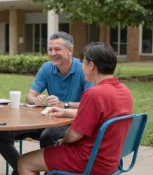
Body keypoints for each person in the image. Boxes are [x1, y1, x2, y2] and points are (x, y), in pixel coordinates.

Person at [18, 42, 133, 174]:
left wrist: (63, 141)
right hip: (112, 159)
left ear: (91, 65)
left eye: (83, 63)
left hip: (88, 159)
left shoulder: (94, 94)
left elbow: (73, 135)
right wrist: (64, 111)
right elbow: (98, 116)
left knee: (24, 162)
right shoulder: (124, 91)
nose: (82, 67)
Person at [0, 31, 93, 175]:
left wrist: (64, 104)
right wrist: (36, 100)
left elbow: (89, 105)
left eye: (57, 49)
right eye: (50, 49)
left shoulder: (84, 70)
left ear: (70, 50)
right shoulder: (47, 68)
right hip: (45, 118)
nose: (52, 53)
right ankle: (25, 168)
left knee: (48, 135)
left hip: (70, 122)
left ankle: (33, 169)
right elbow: (29, 96)